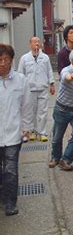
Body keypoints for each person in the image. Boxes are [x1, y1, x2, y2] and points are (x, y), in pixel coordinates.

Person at [0, 44, 28, 216]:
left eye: (6, 60)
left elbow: (26, 106)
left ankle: (10, 202)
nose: (2, 63)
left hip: (13, 133)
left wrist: (26, 128)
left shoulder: (21, 80)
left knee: (10, 170)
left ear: (11, 61)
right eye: (0, 60)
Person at [18, 36, 55, 142]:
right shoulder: (24, 58)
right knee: (31, 112)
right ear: (30, 43)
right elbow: (20, 74)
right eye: (35, 42)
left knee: (42, 112)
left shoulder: (45, 57)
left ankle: (42, 132)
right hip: (29, 89)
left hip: (43, 88)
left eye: (38, 42)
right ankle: (32, 131)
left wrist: (52, 84)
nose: (37, 44)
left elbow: (49, 71)